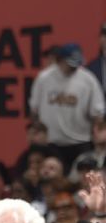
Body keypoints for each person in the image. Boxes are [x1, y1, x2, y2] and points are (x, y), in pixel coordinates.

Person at [29, 42, 105, 171]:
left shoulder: (88, 79)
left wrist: (96, 138)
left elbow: (98, 113)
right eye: (69, 63)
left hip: (80, 142)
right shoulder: (44, 78)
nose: (73, 67)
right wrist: (37, 134)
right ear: (59, 60)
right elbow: (34, 110)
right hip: (51, 142)